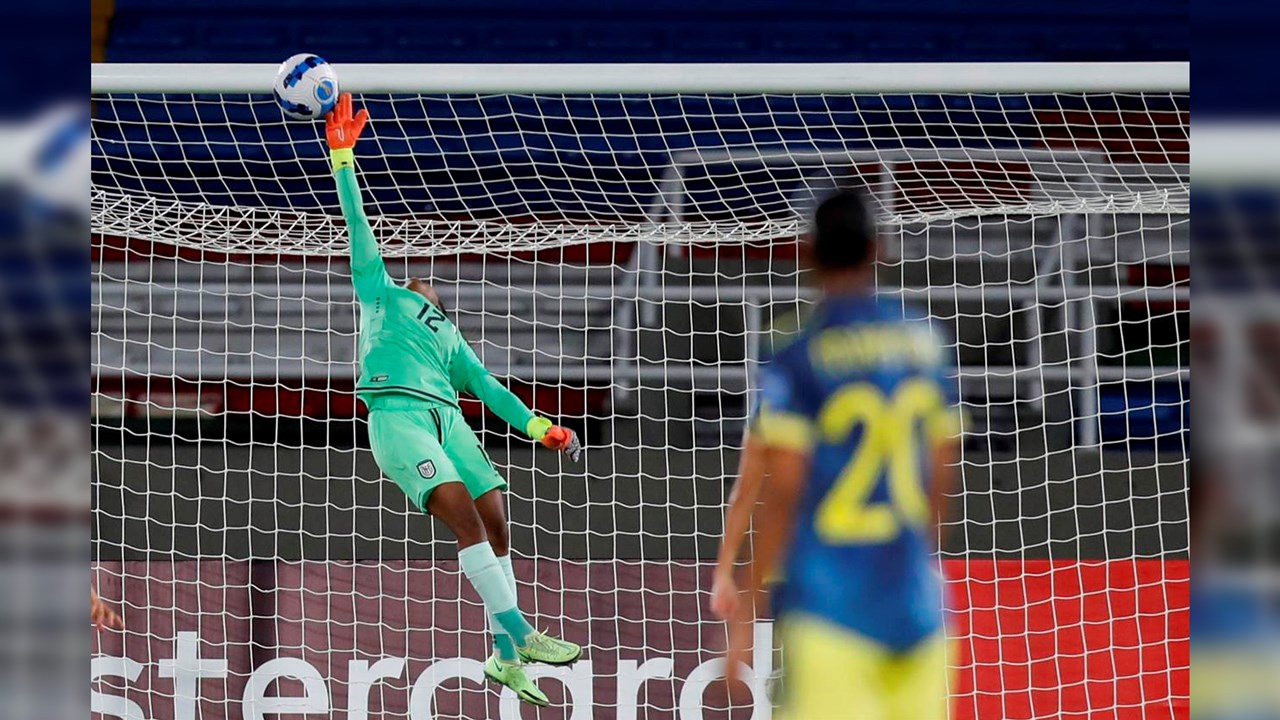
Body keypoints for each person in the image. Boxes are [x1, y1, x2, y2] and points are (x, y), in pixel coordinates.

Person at [324, 93, 582, 707]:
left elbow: (489, 388)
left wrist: (538, 426)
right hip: (398, 416)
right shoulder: (383, 296)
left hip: (449, 418)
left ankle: (502, 659)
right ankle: (523, 633)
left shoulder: (450, 338)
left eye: (431, 290)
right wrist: (342, 159)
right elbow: (360, 231)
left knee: (496, 522)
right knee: (464, 515)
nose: (424, 283)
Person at [726, 190, 962, 720]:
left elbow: (782, 490)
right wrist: (915, 562)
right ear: (879, 249)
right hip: (918, 613)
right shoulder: (926, 343)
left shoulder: (797, 354)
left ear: (806, 250)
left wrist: (747, 609)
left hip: (830, 611)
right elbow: (943, 470)